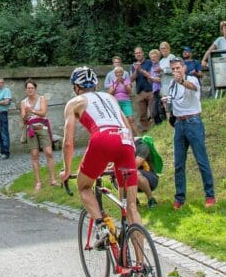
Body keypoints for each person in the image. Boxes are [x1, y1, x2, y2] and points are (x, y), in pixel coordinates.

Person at [60, 67, 142, 245]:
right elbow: (127, 125)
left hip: (102, 139)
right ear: (95, 85)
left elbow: (68, 142)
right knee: (131, 207)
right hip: (125, 140)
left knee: (83, 187)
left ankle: (101, 226)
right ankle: (141, 268)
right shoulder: (110, 97)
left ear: (76, 87)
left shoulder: (74, 102)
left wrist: (66, 170)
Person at [165, 58, 216, 209]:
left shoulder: (192, 78)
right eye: (173, 69)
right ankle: (179, 197)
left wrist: (181, 81)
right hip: (179, 124)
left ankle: (210, 196)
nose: (176, 71)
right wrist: (168, 109)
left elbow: (192, 87)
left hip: (193, 122)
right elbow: (171, 102)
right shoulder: (172, 84)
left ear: (184, 67)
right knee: (178, 163)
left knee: (201, 160)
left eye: (178, 68)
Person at [21, 78, 57, 192]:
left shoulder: (41, 98)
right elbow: (24, 120)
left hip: (42, 127)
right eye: (28, 88)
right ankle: (38, 182)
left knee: (49, 153)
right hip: (30, 129)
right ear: (26, 90)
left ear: (35, 89)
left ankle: (53, 180)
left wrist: (32, 111)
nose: (30, 90)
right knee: (35, 155)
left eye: (32, 88)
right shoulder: (23, 102)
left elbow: (43, 112)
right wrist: (26, 113)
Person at [130, 47, 154, 132]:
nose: (138, 54)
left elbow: (151, 75)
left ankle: (155, 129)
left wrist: (141, 69)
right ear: (134, 55)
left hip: (151, 90)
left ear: (143, 53)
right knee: (142, 114)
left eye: (139, 52)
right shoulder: (133, 65)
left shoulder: (149, 62)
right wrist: (136, 70)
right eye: (136, 53)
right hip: (140, 92)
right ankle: (145, 131)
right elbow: (131, 79)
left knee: (153, 112)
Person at [107, 66, 136, 134]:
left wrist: (124, 83)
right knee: (120, 120)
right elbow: (110, 93)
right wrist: (116, 84)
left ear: (123, 73)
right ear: (115, 74)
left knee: (130, 119)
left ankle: (137, 135)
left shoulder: (126, 80)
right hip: (116, 102)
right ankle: (124, 135)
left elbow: (129, 92)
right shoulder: (113, 81)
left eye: (120, 72)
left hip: (126, 101)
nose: (119, 74)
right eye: (117, 72)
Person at [135, 137, 159, 209]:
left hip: (150, 178)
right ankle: (133, 200)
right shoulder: (122, 147)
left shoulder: (142, 146)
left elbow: (135, 165)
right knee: (117, 176)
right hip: (134, 181)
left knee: (134, 173)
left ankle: (151, 199)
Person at [0, 77, 12, 159]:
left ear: (3, 83)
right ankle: (2, 151)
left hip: (2, 114)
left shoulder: (6, 90)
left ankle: (6, 152)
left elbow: (6, 102)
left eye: (0, 83)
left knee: (4, 133)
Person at [147, 49, 165, 125]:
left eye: (155, 57)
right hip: (154, 91)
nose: (153, 58)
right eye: (151, 57)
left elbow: (164, 79)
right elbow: (150, 81)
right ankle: (159, 125)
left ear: (158, 57)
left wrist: (156, 79)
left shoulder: (161, 66)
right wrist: (150, 78)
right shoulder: (151, 68)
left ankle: (164, 125)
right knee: (154, 112)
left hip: (161, 90)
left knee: (160, 110)